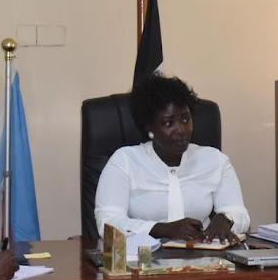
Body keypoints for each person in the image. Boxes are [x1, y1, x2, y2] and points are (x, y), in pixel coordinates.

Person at [95, 73, 249, 243]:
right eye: (169, 123)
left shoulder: (215, 161)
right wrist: (161, 229)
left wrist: (226, 219)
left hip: (203, 259)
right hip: (144, 262)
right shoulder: (124, 161)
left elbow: (240, 214)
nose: (181, 129)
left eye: (185, 119)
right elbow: (107, 223)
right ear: (149, 128)